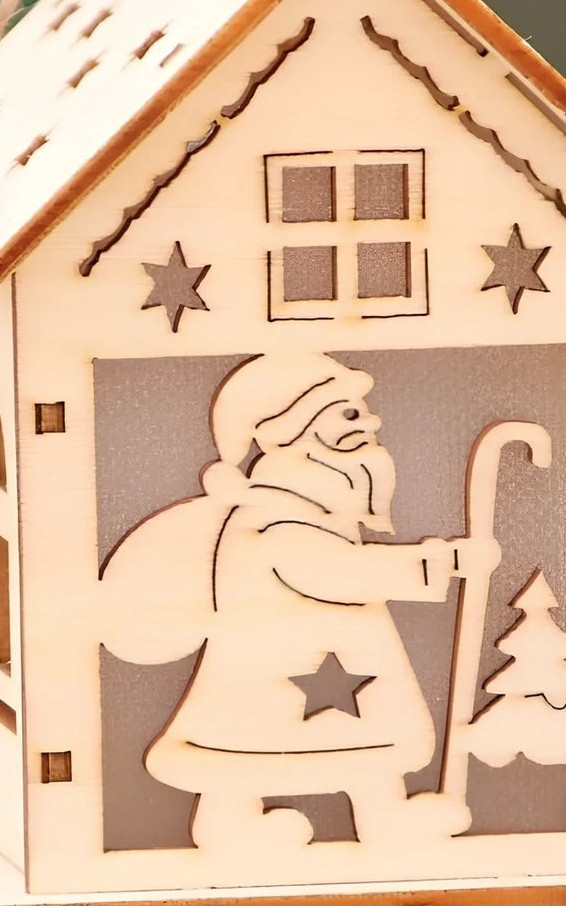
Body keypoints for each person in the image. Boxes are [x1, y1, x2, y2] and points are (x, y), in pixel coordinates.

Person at [127, 353, 494, 848]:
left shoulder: (318, 508)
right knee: (245, 749)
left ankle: (386, 820)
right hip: (272, 674)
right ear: (292, 429)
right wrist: (441, 561)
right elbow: (331, 572)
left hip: (346, 670)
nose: (372, 421)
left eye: (362, 410)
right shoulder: (274, 514)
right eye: (348, 414)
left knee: (368, 744)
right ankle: (229, 825)